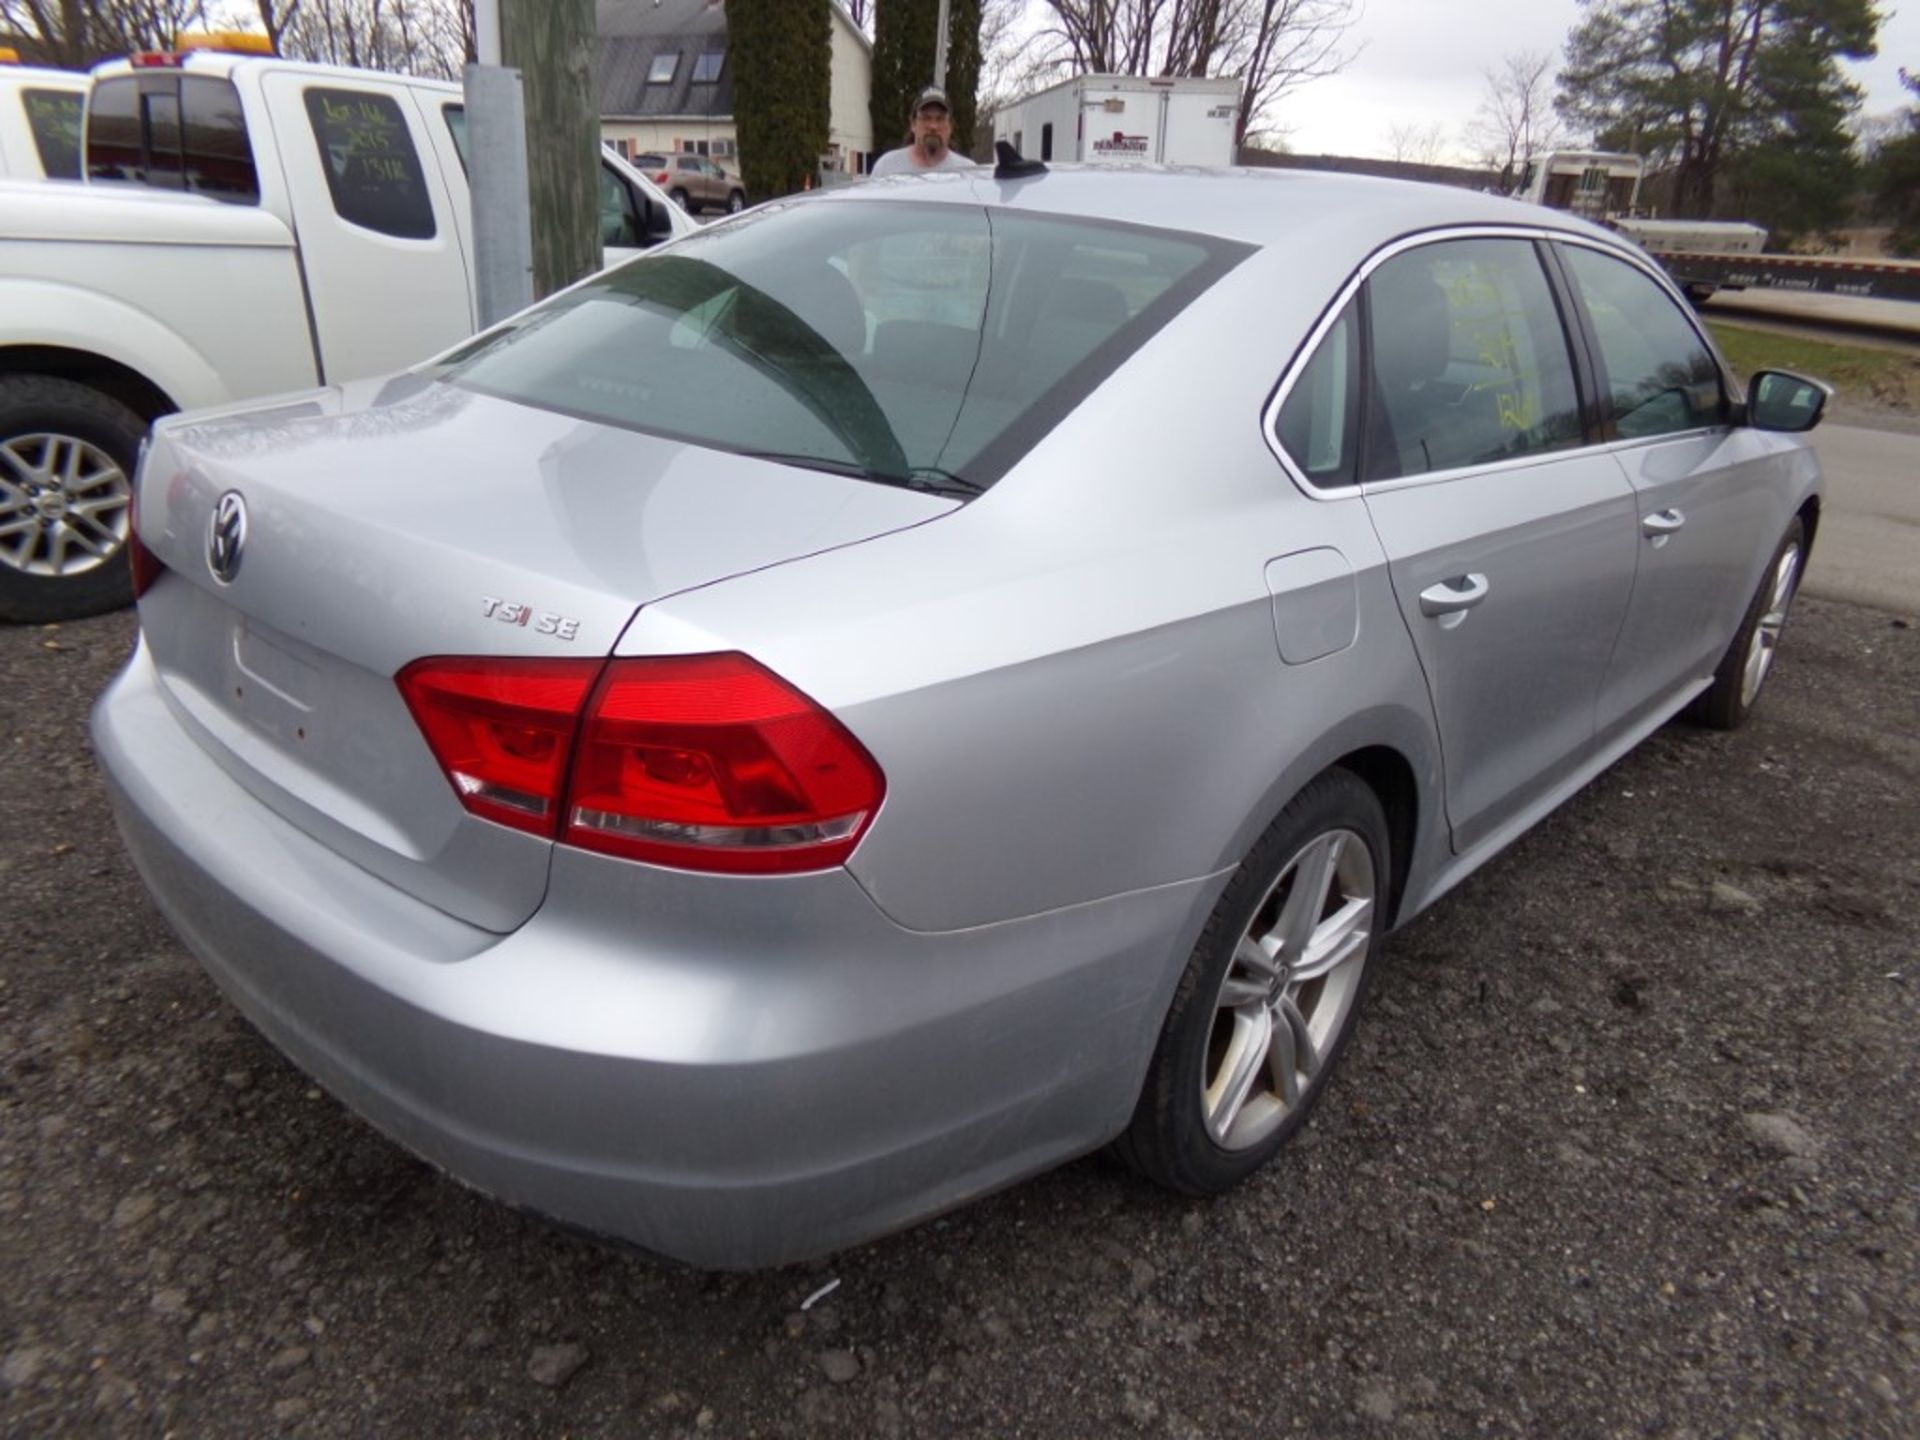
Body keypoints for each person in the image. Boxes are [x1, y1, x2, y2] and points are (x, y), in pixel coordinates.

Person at [869, 87, 975, 177]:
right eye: (926, 118)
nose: (933, 126)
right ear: (913, 124)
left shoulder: (968, 173)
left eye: (940, 119)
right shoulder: (887, 168)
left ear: (951, 126)